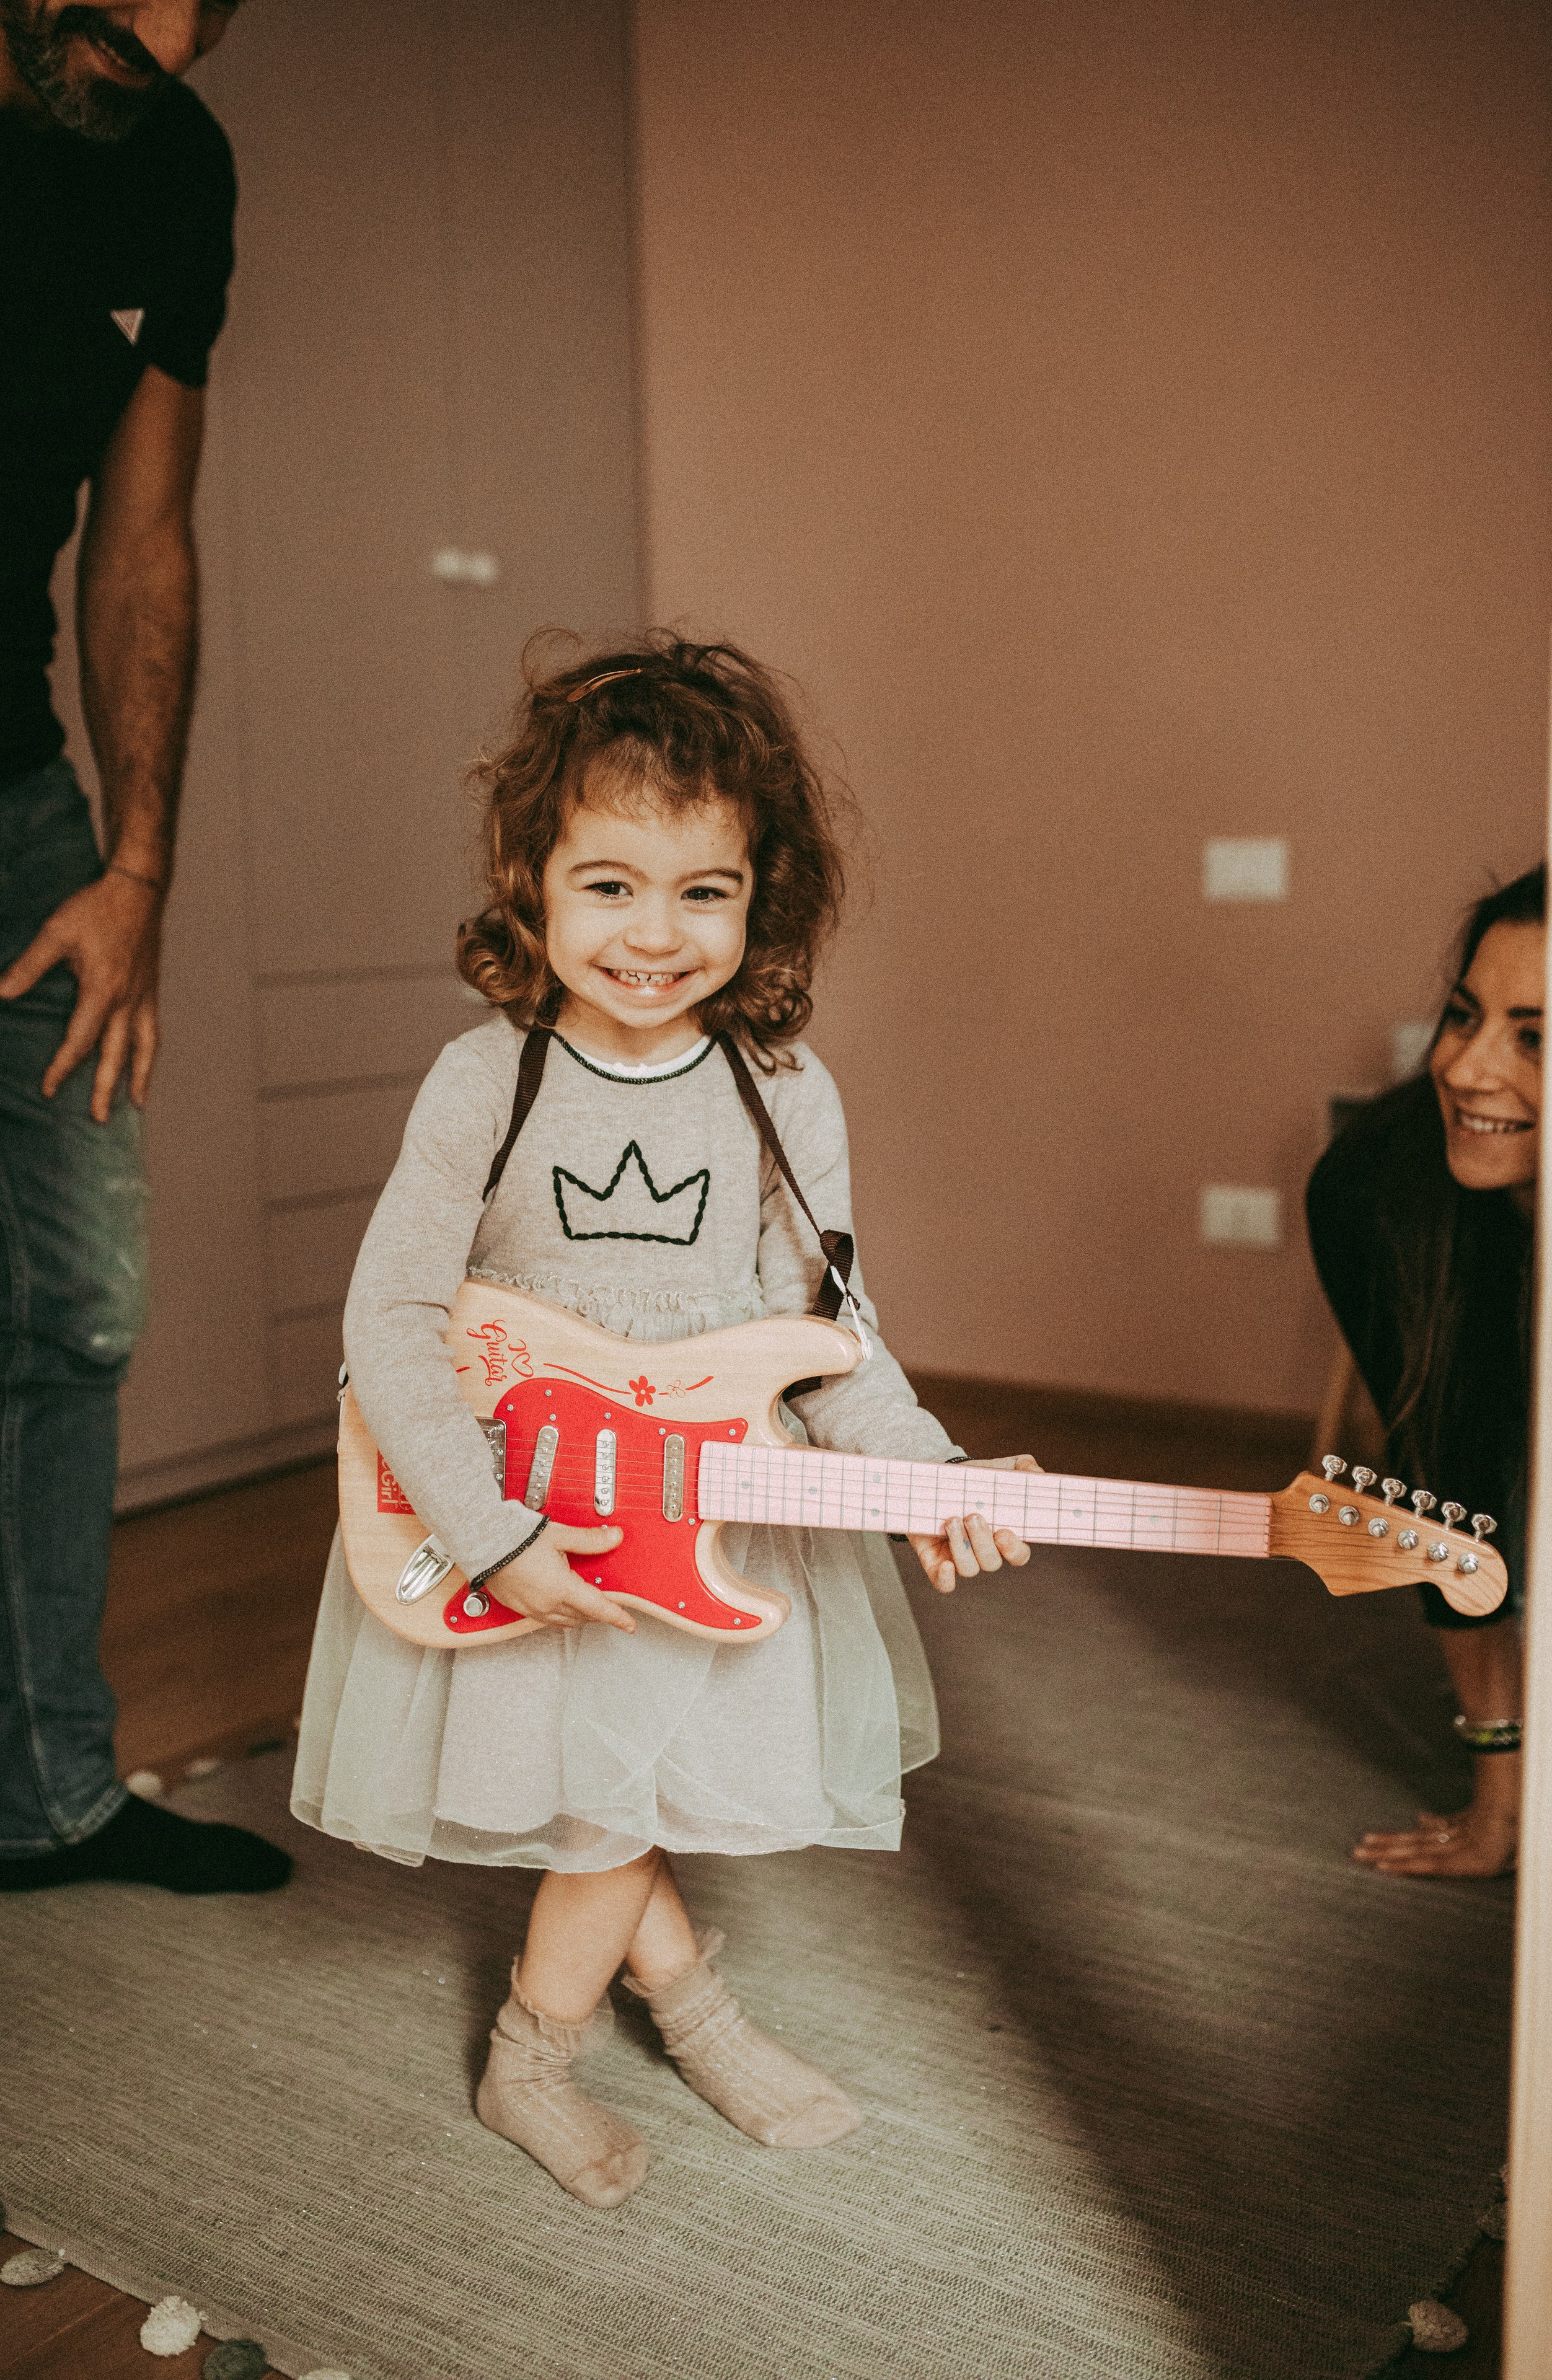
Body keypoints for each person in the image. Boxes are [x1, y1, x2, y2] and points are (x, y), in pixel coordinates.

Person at [293, 637, 1035, 2205]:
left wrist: (928, 1478)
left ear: (764, 895)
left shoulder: (783, 1087)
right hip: (516, 1503)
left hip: (700, 1504)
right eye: (609, 884)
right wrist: (497, 1535)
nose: (653, 933)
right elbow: (389, 1322)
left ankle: (633, 2023)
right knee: (598, 1793)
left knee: (613, 1777)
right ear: (530, 880)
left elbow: (832, 1339)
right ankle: (575, 2044)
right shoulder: (481, 1079)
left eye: (702, 891)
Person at [0, 0, 288, 1894]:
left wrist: (139, 868)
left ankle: (42, 1798)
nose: (158, 32)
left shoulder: (172, 166)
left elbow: (142, 539)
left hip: (25, 825)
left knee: (72, 1301)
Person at [1308, 863, 1541, 1879]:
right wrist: (1502, 1798)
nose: (1467, 1067)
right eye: (1463, 1016)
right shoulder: (1378, 1196)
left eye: (1535, 1038)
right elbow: (1456, 1507)